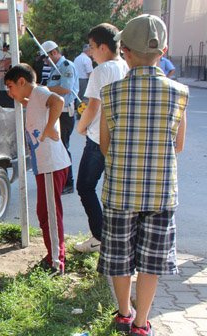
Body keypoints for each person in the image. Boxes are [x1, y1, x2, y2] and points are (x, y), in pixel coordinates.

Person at [99, 14, 188, 336]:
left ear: (124, 51)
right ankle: (141, 323)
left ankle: (124, 312)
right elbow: (178, 145)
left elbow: (105, 146)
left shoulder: (111, 93)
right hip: (161, 193)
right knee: (151, 262)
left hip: (120, 191)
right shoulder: (179, 93)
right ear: (162, 51)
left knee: (120, 258)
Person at [4, 64, 71, 275]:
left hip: (52, 164)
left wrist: (50, 127)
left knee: (50, 215)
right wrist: (20, 100)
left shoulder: (41, 92)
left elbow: (58, 101)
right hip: (45, 167)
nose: (9, 91)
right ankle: (53, 254)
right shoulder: (33, 98)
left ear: (22, 82)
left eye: (10, 86)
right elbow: (34, 105)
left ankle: (56, 263)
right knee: (44, 213)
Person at [73, 23, 129, 254]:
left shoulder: (101, 71)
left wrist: (81, 126)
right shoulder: (126, 65)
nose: (90, 52)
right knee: (113, 192)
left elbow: (93, 106)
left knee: (85, 187)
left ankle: (100, 236)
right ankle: (115, 238)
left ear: (104, 47)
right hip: (120, 138)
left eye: (92, 47)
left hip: (97, 139)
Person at [42, 40, 78, 194]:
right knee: (58, 147)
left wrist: (44, 89)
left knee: (63, 147)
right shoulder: (54, 69)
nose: (45, 61)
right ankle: (61, 180)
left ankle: (68, 182)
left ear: (54, 53)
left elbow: (65, 89)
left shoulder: (66, 66)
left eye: (46, 57)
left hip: (64, 113)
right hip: (56, 112)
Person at [73, 44, 94, 112]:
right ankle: (82, 112)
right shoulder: (87, 59)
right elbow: (89, 72)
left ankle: (77, 111)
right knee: (84, 97)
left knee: (78, 96)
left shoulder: (77, 58)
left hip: (76, 79)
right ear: (88, 50)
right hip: (83, 80)